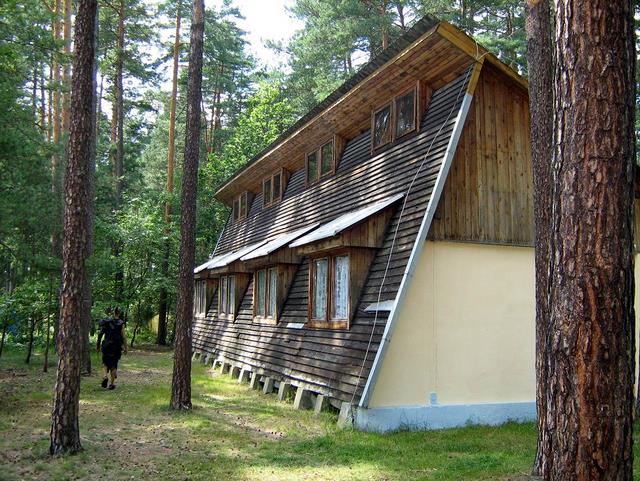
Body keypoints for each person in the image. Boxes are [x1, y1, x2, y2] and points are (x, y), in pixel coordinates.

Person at [96, 307, 127, 389]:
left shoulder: (107, 321)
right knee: (114, 365)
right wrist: (125, 347)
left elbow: (100, 334)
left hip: (106, 345)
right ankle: (112, 384)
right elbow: (123, 336)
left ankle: (105, 376)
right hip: (116, 347)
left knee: (105, 363)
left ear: (113, 312)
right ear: (119, 313)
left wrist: (98, 345)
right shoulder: (121, 323)